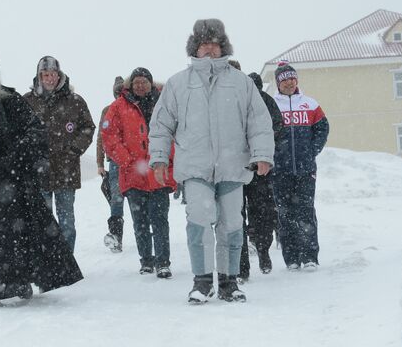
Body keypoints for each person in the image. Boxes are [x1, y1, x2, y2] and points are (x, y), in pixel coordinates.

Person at [148, 19, 274, 303]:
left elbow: (258, 121)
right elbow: (161, 124)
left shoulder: (240, 83)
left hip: (233, 165)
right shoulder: (179, 83)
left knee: (231, 225)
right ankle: (202, 282)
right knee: (200, 223)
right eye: (203, 44)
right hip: (195, 168)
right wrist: (158, 159)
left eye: (214, 44)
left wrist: (262, 154)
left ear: (222, 47)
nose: (209, 49)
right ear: (195, 48)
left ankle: (229, 282)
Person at [0, 47, 83, 308]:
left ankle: (20, 283)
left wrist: (17, 153)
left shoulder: (12, 99)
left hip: (16, 179)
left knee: (19, 232)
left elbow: (35, 130)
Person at [101, 67, 177, 278]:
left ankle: (163, 262)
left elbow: (176, 132)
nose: (141, 85)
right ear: (130, 85)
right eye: (137, 82)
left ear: (151, 84)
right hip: (133, 174)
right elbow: (109, 136)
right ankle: (146, 260)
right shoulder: (118, 107)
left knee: (160, 219)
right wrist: (127, 160)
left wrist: (168, 159)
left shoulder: (164, 103)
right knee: (140, 220)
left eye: (144, 81)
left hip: (159, 172)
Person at [24, 56, 95, 252]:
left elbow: (88, 127)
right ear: (39, 76)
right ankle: (47, 263)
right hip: (38, 172)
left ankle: (67, 262)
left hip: (66, 171)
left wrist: (74, 150)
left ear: (59, 75)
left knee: (66, 223)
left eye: (52, 74)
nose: (49, 78)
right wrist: (29, 155)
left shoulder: (75, 101)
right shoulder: (26, 102)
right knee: (42, 222)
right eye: (45, 74)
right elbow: (17, 133)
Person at [271, 61, 329, 272]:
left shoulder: (311, 104)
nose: (289, 83)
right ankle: (292, 258)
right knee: (285, 214)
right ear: (278, 83)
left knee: (305, 212)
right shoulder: (272, 105)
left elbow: (323, 128)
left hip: (305, 169)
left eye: (292, 79)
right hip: (280, 170)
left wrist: (312, 150)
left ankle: (310, 256)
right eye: (284, 80)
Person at [236, 72, 284, 283]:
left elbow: (277, 128)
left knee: (262, 212)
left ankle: (263, 250)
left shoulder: (266, 103)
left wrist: (262, 148)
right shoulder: (233, 103)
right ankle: (241, 265)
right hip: (236, 167)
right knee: (237, 217)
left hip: (260, 168)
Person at [97, 76, 126, 253]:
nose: (119, 94)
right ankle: (116, 236)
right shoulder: (107, 110)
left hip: (134, 162)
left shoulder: (134, 108)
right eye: (117, 91)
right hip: (115, 162)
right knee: (116, 198)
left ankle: (144, 234)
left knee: (138, 200)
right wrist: (100, 163)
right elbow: (101, 138)